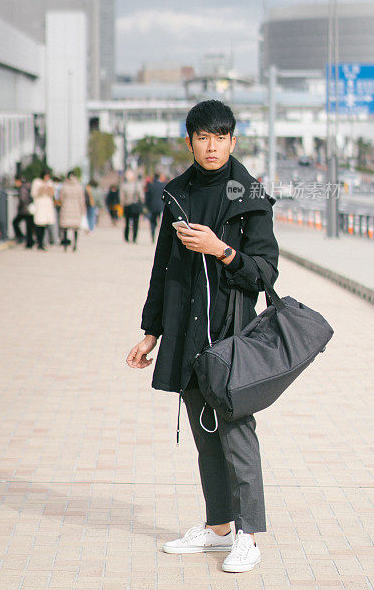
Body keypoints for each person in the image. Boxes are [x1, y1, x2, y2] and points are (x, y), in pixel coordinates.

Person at [126, 99, 279, 574]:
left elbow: (265, 272)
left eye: (220, 137)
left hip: (230, 338)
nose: (212, 147)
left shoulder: (250, 197)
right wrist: (151, 332)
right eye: (203, 138)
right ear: (189, 141)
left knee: (236, 435)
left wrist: (222, 250)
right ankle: (217, 530)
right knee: (206, 435)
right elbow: (163, 270)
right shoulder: (176, 193)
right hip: (187, 336)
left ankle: (247, 536)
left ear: (234, 141)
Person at [59, 171, 86, 252]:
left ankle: (65, 245)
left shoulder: (64, 186)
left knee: (65, 228)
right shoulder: (79, 186)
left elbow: (61, 198)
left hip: (66, 207)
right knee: (75, 228)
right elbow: (82, 199)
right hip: (76, 208)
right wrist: (83, 210)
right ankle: (75, 245)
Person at [31, 171, 56, 250]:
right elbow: (34, 194)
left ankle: (43, 242)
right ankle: (39, 243)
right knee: (39, 225)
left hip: (47, 207)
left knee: (45, 225)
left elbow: (52, 194)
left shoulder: (50, 183)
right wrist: (42, 189)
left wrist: (49, 189)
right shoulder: (37, 182)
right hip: (40, 206)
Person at [121, 170, 144, 243]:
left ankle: (126, 237)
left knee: (127, 222)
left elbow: (121, 197)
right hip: (136, 205)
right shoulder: (138, 185)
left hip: (127, 205)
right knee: (136, 223)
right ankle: (134, 238)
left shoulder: (123, 185)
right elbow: (141, 196)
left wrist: (123, 204)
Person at [12, 175, 34, 248]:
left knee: (15, 222)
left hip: (24, 210)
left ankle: (20, 237)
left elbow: (23, 198)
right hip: (31, 209)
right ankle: (30, 242)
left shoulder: (22, 188)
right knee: (29, 227)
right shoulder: (29, 186)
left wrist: (20, 207)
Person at [144, 172, 166, 242]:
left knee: (153, 222)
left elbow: (147, 197)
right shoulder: (163, 185)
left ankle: (153, 236)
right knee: (162, 223)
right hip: (161, 206)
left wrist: (147, 205)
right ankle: (161, 238)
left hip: (152, 207)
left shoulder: (150, 185)